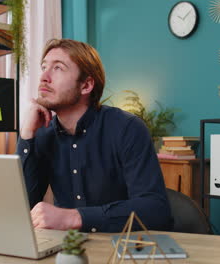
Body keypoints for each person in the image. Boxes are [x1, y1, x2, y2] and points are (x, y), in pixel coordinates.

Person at [16, 39, 172, 233]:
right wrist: (27, 136)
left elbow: (156, 210)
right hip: (68, 250)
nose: (44, 77)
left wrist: (74, 217)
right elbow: (21, 209)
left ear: (86, 85)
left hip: (122, 250)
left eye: (58, 68)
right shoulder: (43, 135)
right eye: (44, 67)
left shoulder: (127, 128)